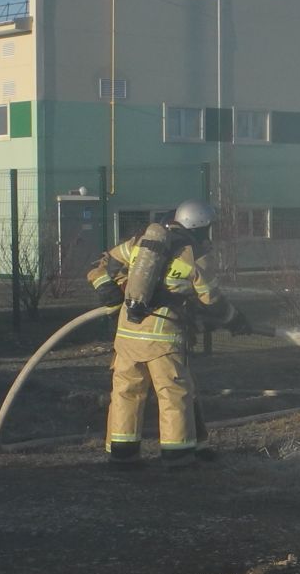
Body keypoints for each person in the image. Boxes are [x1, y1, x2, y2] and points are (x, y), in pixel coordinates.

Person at [86, 201, 247, 470]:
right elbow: (212, 301)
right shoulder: (195, 255)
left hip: (127, 335)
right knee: (173, 395)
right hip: (163, 340)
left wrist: (112, 297)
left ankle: (123, 453)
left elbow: (106, 264)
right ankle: (178, 454)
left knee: (126, 393)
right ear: (200, 227)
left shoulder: (140, 243)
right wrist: (235, 319)